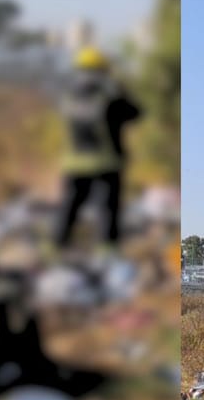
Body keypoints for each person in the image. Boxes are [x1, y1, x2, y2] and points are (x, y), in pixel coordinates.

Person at [57, 46, 141, 251]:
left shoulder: (69, 97)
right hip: (106, 162)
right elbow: (135, 113)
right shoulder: (111, 100)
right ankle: (107, 247)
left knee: (71, 204)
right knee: (109, 208)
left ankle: (60, 242)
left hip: (75, 162)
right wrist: (121, 89)